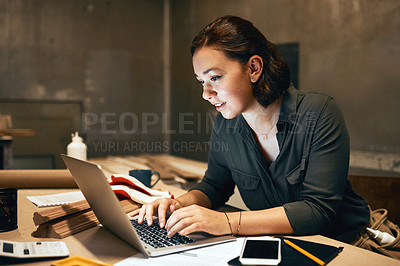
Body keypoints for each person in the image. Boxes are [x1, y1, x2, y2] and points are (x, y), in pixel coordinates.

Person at [132, 15, 370, 244]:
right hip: (281, 245)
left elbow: (318, 211)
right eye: (201, 82)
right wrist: (178, 205)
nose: (206, 94)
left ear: (254, 68)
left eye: (214, 77)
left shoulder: (319, 112)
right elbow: (215, 186)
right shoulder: (226, 124)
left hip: (349, 243)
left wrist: (226, 222)